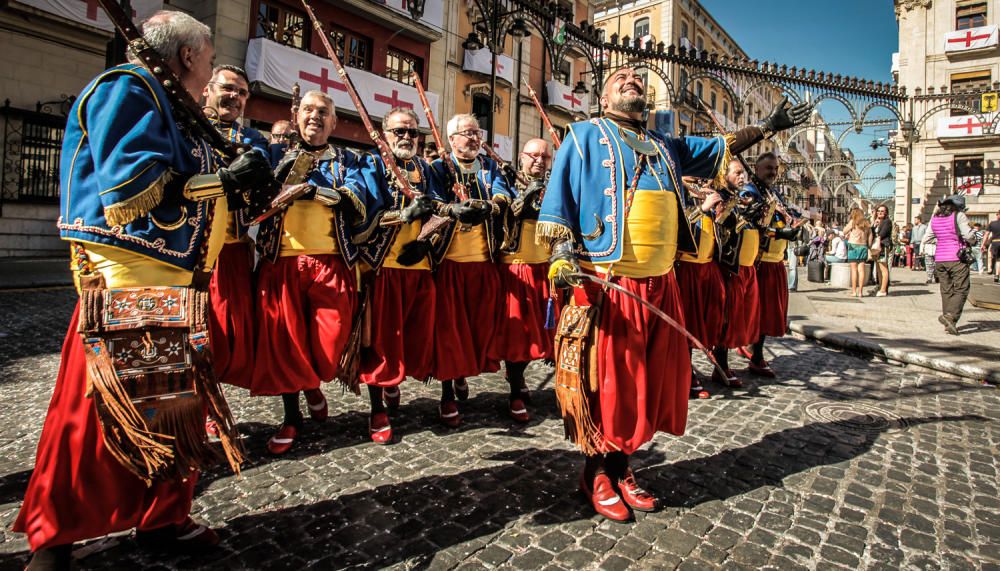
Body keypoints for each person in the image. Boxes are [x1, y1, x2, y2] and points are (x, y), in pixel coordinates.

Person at [14, 11, 277, 567]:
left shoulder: (178, 111)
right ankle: (55, 538)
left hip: (174, 284)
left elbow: (212, 196)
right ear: (188, 55)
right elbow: (132, 185)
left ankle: (162, 518)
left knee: (171, 413)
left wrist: (245, 176)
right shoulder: (127, 88)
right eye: (208, 61)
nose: (209, 76)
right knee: (101, 417)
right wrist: (224, 179)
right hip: (131, 278)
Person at [541, 66, 810, 522]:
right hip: (610, 282)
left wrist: (766, 127)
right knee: (609, 382)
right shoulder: (584, 134)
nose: (631, 80)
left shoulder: (668, 146)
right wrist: (562, 253)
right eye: (620, 78)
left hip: (661, 283)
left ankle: (622, 467)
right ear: (604, 96)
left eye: (637, 79)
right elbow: (559, 197)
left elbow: (720, 147)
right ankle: (597, 473)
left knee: (646, 381)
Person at [251, 90, 370, 455]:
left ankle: (311, 382)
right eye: (308, 110)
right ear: (296, 116)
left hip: (332, 262)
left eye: (324, 112)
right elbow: (253, 195)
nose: (315, 116)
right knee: (286, 345)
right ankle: (291, 418)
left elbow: (360, 195)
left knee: (329, 346)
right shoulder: (274, 153)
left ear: (334, 123)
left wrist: (318, 192)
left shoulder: (349, 160)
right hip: (280, 262)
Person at [349, 107, 437, 444]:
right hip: (382, 266)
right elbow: (361, 216)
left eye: (412, 132)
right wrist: (401, 215)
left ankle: (394, 383)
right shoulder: (370, 165)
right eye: (399, 131)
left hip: (419, 267)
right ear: (384, 134)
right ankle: (377, 409)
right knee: (380, 341)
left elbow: (438, 208)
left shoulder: (424, 170)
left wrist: (427, 236)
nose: (406, 138)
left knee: (414, 339)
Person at [428, 113, 512, 427]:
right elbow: (432, 199)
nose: (474, 138)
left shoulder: (490, 168)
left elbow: (504, 194)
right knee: (449, 332)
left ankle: (464, 371)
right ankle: (447, 393)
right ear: (452, 139)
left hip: (484, 263)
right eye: (467, 133)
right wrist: (451, 209)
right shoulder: (438, 167)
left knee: (478, 330)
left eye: (477, 132)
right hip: (449, 264)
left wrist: (489, 206)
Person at [203, 65, 268, 394]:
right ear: (207, 89)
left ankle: (212, 394)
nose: (234, 97)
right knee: (194, 329)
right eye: (227, 88)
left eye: (241, 92)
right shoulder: (188, 130)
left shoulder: (254, 141)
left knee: (230, 331)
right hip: (192, 251)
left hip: (232, 251)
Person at [489, 138, 556, 421]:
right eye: (533, 155)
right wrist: (529, 193)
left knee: (540, 333)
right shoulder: (505, 179)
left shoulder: (554, 186)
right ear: (521, 157)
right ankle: (516, 390)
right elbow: (507, 210)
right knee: (518, 336)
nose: (539, 161)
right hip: (516, 269)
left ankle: (519, 377)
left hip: (545, 268)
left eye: (545, 157)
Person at [739, 153, 801, 378]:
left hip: (775, 261)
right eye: (768, 169)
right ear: (756, 168)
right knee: (753, 313)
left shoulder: (773, 193)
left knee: (766, 314)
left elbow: (785, 216)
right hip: (758, 261)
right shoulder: (750, 191)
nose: (772, 173)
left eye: (775, 169)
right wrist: (778, 232)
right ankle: (753, 353)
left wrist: (793, 224)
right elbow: (750, 222)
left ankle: (756, 353)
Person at [675, 178, 726, 399]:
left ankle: (716, 364)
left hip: (707, 266)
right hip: (686, 267)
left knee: (708, 320)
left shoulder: (702, 192)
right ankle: (686, 373)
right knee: (686, 322)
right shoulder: (677, 189)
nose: (700, 180)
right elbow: (677, 226)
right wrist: (702, 209)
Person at [712, 162, 761, 389]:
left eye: (744, 172)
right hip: (725, 267)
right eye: (737, 172)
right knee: (723, 318)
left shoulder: (741, 197)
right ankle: (720, 364)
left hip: (742, 267)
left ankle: (724, 363)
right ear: (725, 175)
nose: (743, 176)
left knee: (733, 317)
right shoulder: (719, 196)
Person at [921, 194, 975, 335]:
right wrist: (972, 239)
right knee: (962, 288)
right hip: (956, 258)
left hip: (940, 259)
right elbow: (969, 236)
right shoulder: (959, 216)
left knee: (946, 290)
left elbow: (927, 238)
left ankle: (949, 324)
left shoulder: (935, 219)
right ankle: (950, 316)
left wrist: (942, 241)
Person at [842, 207, 872, 297]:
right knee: (861, 270)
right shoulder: (866, 223)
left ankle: (854, 291)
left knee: (854, 270)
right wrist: (869, 246)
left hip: (853, 247)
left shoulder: (853, 222)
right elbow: (870, 235)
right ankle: (860, 292)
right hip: (863, 246)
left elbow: (844, 231)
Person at [871, 204, 892, 296]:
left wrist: (878, 226)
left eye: (882, 211)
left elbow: (882, 234)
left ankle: (883, 289)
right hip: (876, 247)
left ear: (886, 212)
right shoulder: (877, 221)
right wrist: (873, 225)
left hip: (883, 246)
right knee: (878, 268)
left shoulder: (887, 222)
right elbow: (871, 233)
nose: (880, 212)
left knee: (883, 268)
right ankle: (880, 287)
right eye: (878, 211)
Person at [987, 210, 1000, 282]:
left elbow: (986, 234)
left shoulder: (992, 223)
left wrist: (983, 244)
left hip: (995, 243)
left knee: (997, 260)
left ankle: (997, 275)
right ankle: (997, 274)